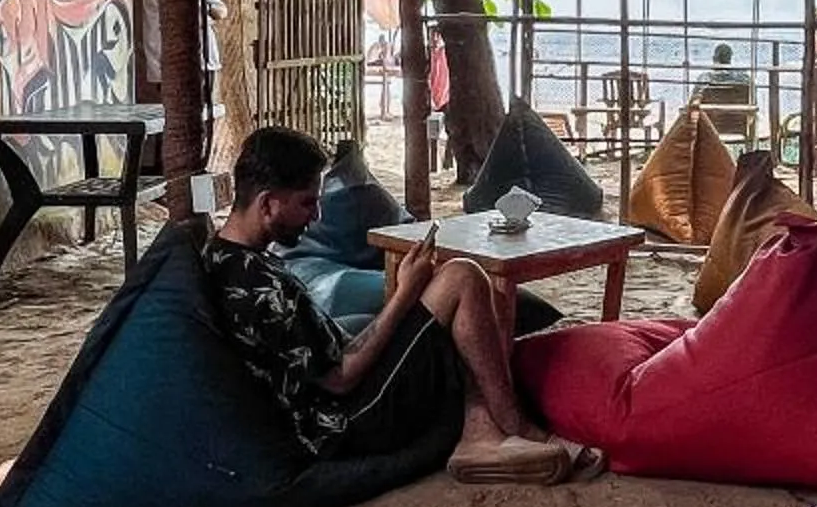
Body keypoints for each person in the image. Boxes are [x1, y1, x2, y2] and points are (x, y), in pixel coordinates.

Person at [203, 125, 601, 486]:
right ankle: (518, 427)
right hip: (343, 421)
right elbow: (339, 378)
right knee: (462, 276)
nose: (317, 216)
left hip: (338, 396)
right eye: (308, 203)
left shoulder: (233, 258)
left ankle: (480, 434)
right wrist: (404, 296)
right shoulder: (257, 287)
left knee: (455, 292)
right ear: (269, 203)